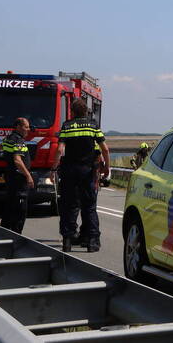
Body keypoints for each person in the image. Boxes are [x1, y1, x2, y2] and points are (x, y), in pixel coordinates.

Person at [53, 98, 109, 252]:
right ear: (86, 111)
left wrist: (53, 168)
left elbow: (59, 150)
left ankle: (67, 241)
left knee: (69, 205)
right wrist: (107, 168)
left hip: (69, 171)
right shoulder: (93, 126)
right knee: (89, 207)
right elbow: (105, 149)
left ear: (72, 112)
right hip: (88, 171)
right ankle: (92, 242)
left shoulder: (67, 126)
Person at [0, 117, 34, 233]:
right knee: (20, 209)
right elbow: (17, 160)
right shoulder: (18, 141)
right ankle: (17, 233)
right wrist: (28, 176)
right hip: (19, 179)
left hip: (10, 177)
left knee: (10, 205)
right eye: (26, 127)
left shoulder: (9, 138)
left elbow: (2, 145)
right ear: (18, 127)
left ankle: (5, 231)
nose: (28, 129)